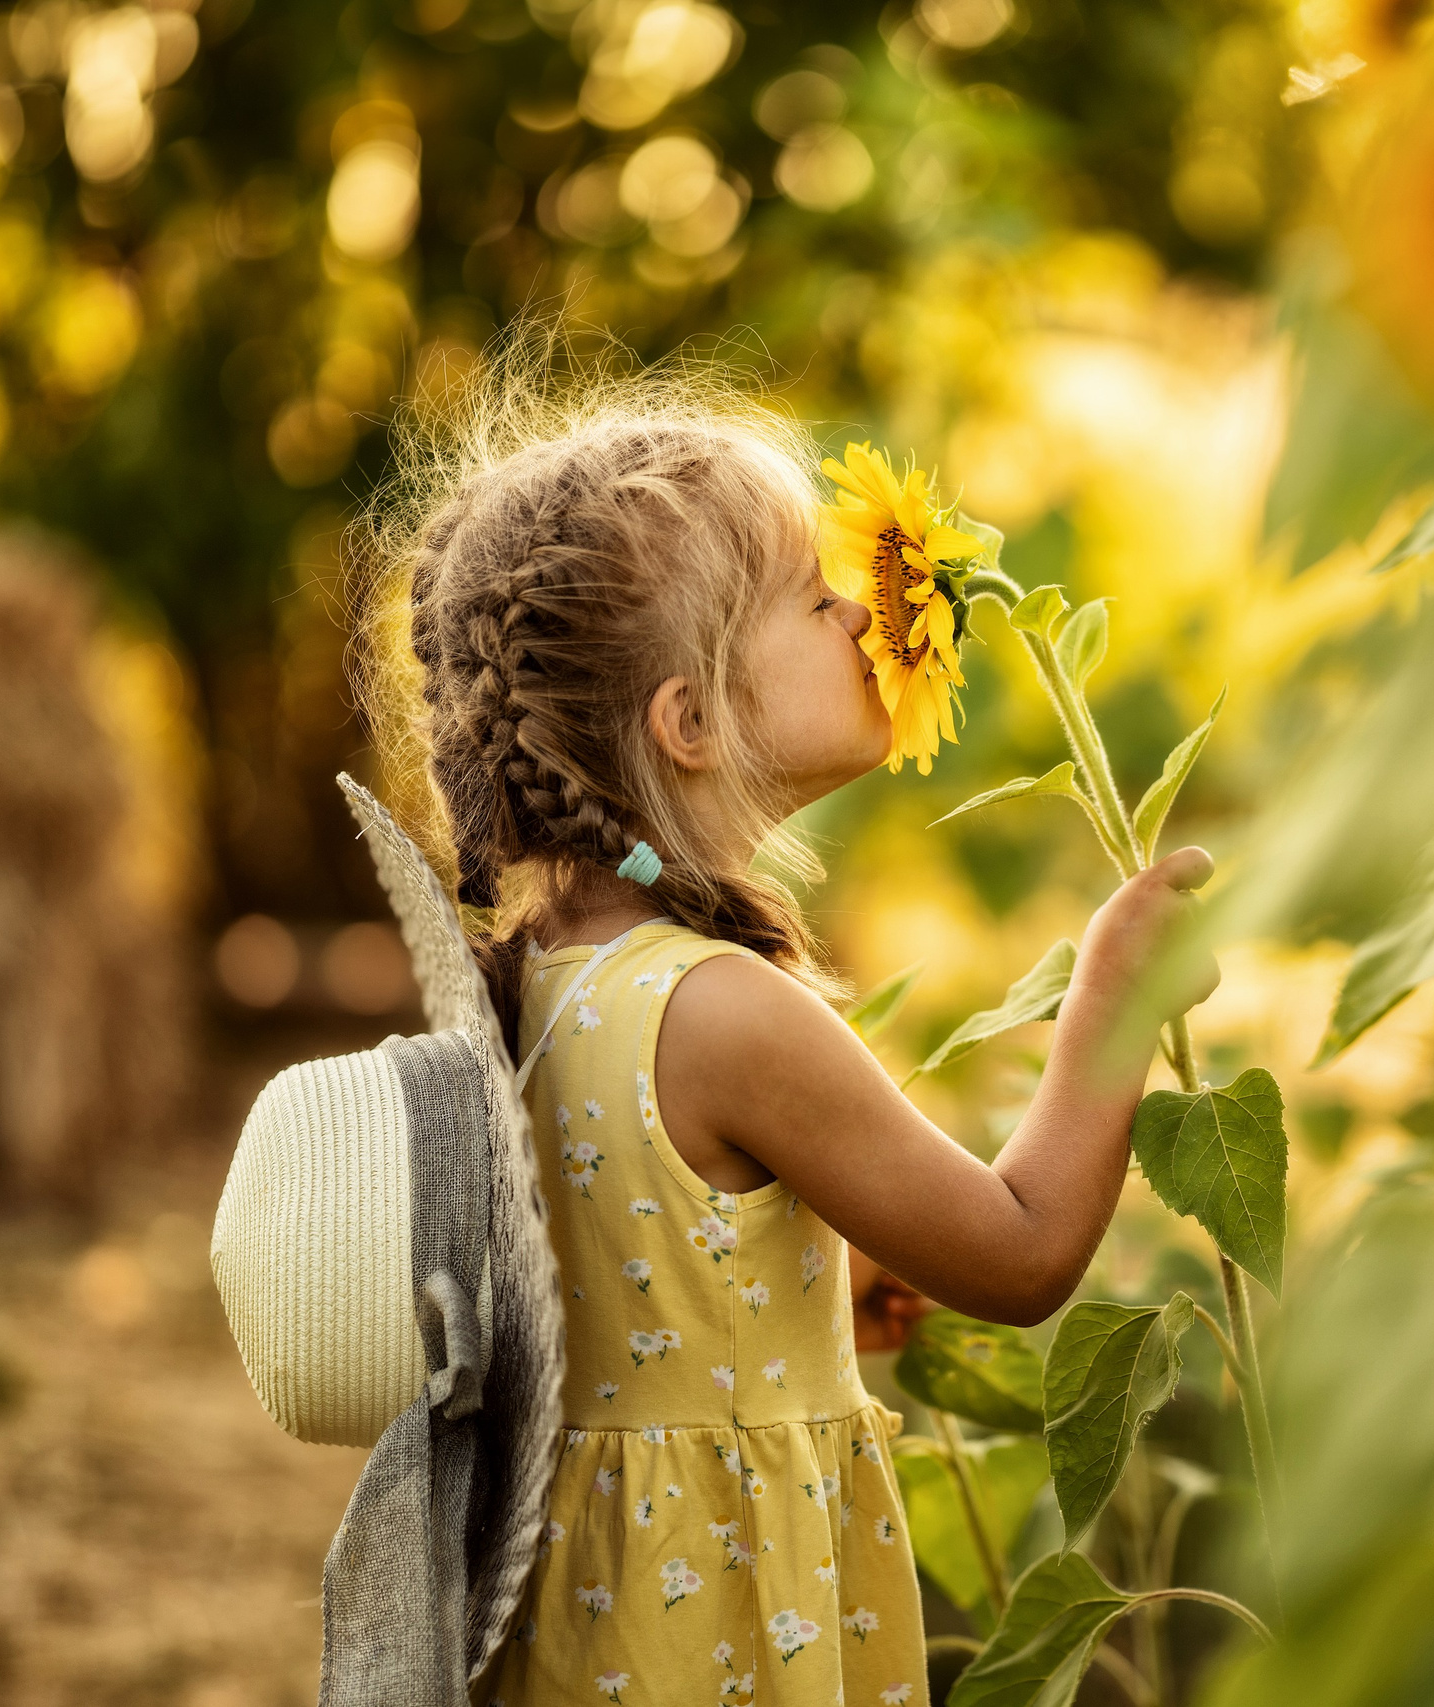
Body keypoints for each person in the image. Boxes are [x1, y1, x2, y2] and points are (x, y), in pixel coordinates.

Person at [379, 347, 1214, 1707]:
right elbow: (1019, 1252)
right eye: (814, 597)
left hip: (596, 1623)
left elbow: (630, 1287)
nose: (863, 613)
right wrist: (1110, 1001)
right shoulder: (725, 1009)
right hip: (722, 1616)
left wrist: (800, 1295)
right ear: (692, 720)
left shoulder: (546, 978)